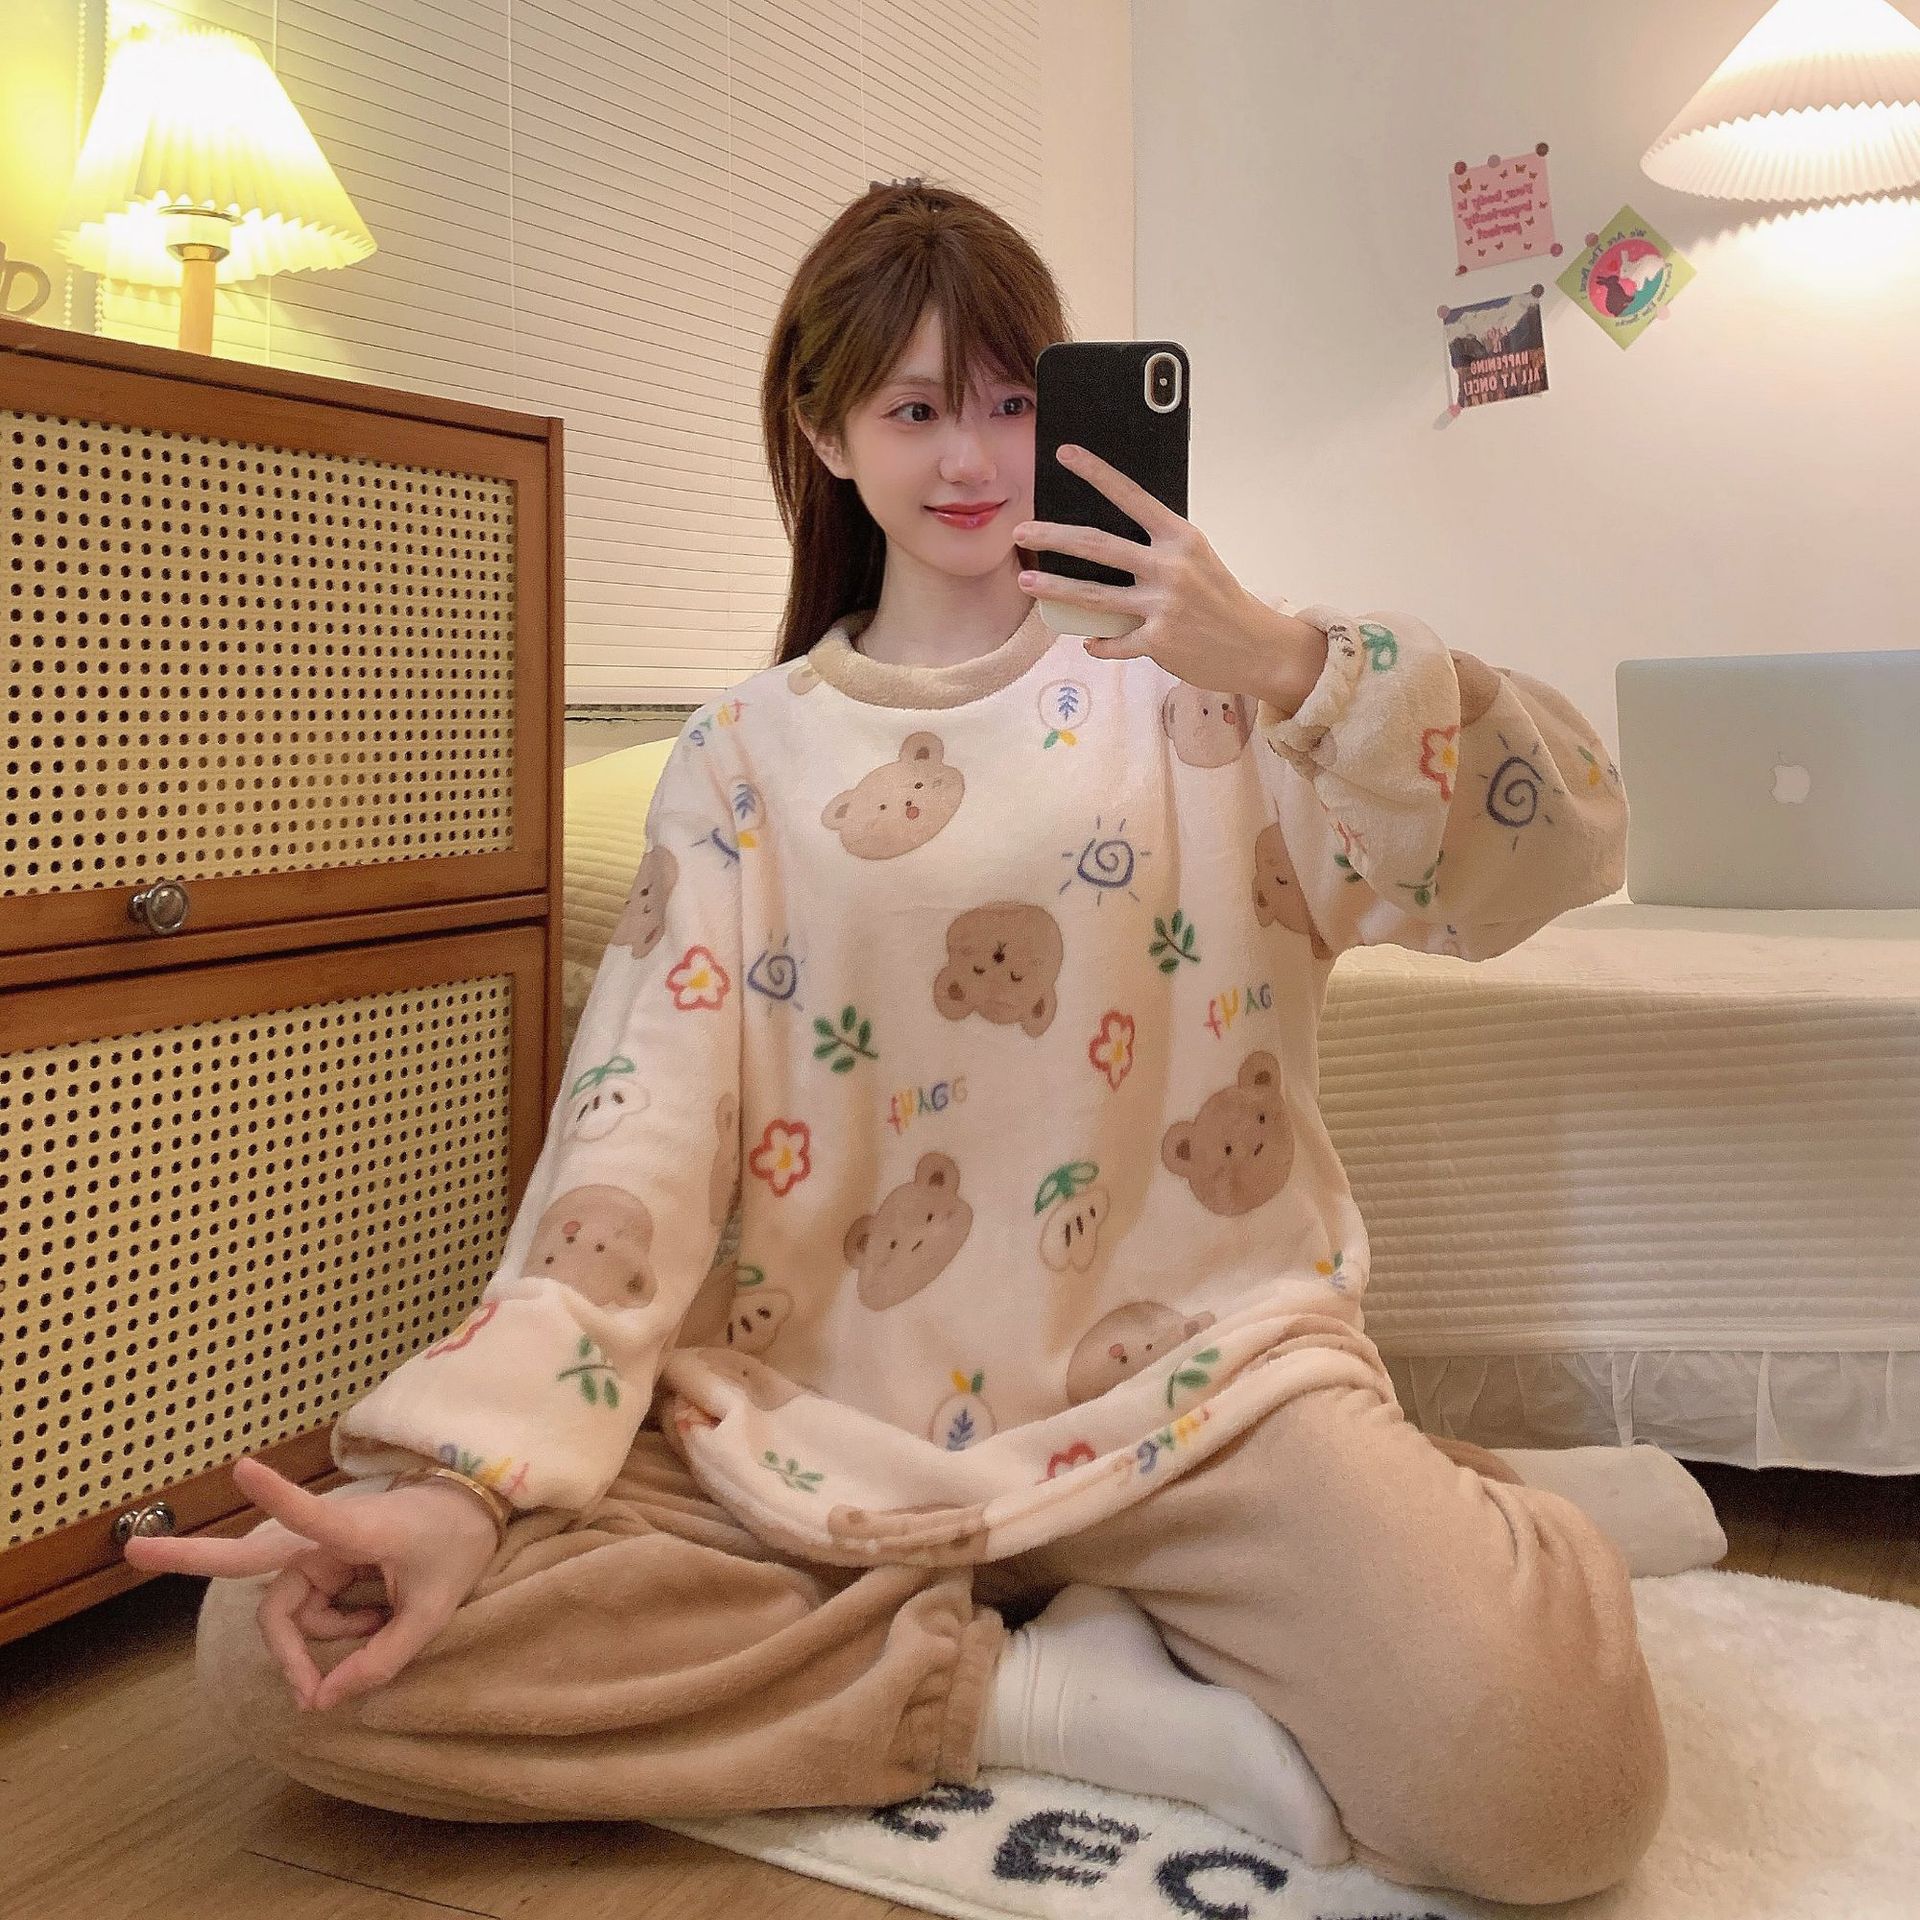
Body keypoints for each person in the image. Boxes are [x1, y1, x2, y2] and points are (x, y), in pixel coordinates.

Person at [140, 180, 1675, 1905]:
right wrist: (463, 1488)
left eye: (1013, 402)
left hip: (1200, 1401)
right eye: (915, 408)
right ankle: (1033, 1694)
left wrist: (1295, 662)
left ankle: (1455, 1513)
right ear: (827, 431)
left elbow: (1569, 840)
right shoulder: (741, 758)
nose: (972, 457)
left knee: (1557, 1785)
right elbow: (634, 1140)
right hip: (812, 1429)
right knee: (278, 1643)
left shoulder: (1216, 695)